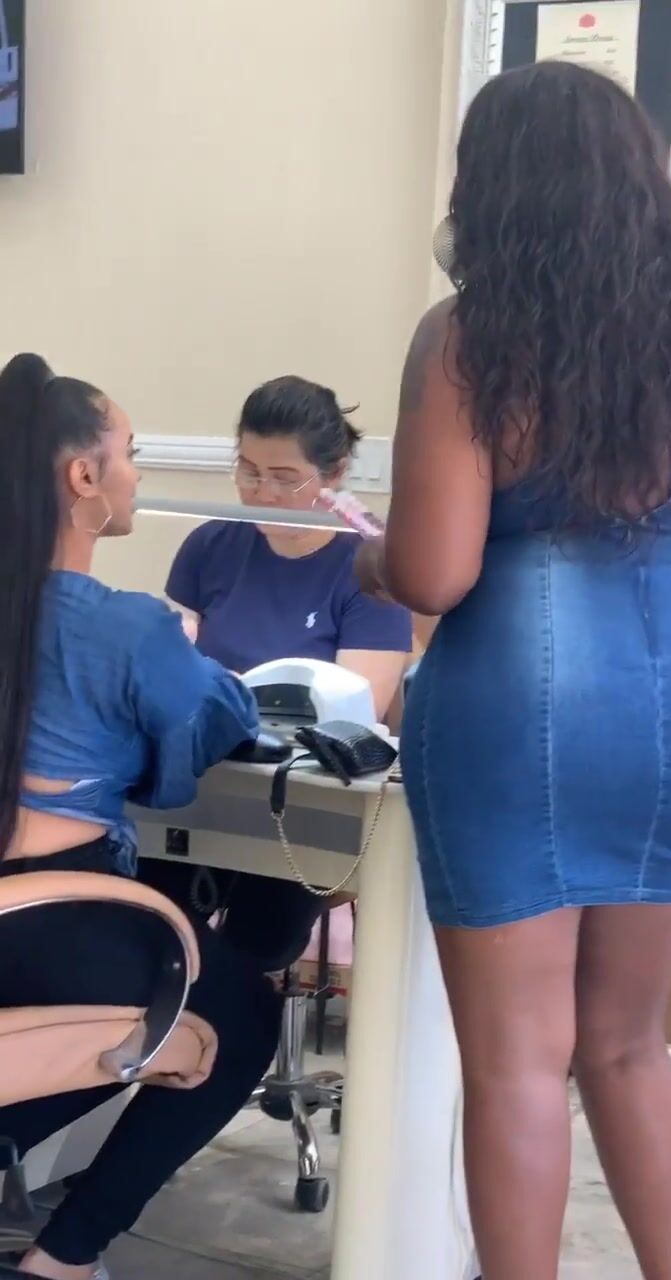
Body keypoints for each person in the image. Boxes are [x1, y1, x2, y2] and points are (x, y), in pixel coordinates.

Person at [355, 62, 671, 1280]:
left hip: (520, 693)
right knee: (629, 1046)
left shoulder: (470, 337)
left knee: (517, 1058)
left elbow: (436, 570)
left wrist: (371, 562)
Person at [0, 353, 281, 1280]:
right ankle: (65, 1259)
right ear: (85, 477)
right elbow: (200, 743)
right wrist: (184, 653)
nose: (137, 473)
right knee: (241, 1015)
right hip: (50, 926)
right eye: (130, 452)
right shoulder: (126, 626)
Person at [149, 375, 412, 971]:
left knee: (260, 936)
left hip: (308, 805)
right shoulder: (211, 544)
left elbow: (357, 715)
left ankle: (233, 1009)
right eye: (248, 471)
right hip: (207, 782)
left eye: (284, 478)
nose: (261, 493)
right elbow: (170, 662)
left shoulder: (367, 564)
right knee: (153, 900)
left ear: (334, 472)